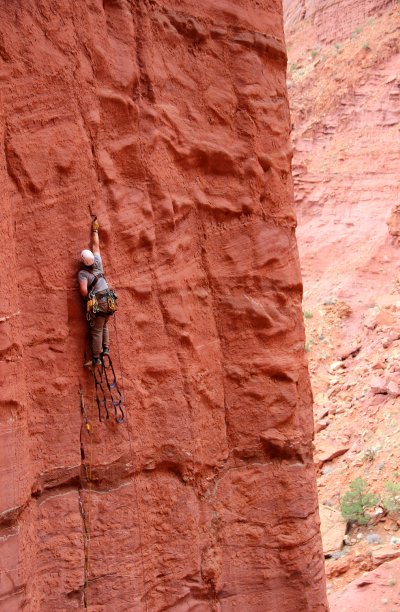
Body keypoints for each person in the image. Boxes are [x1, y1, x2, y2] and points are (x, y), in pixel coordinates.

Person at [78, 218, 111, 366]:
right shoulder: (97, 262)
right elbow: (96, 246)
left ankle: (97, 357)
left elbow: (84, 292)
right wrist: (95, 230)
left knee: (96, 329)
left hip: (101, 302)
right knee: (104, 324)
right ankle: (106, 349)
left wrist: (88, 298)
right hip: (110, 300)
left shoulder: (83, 274)